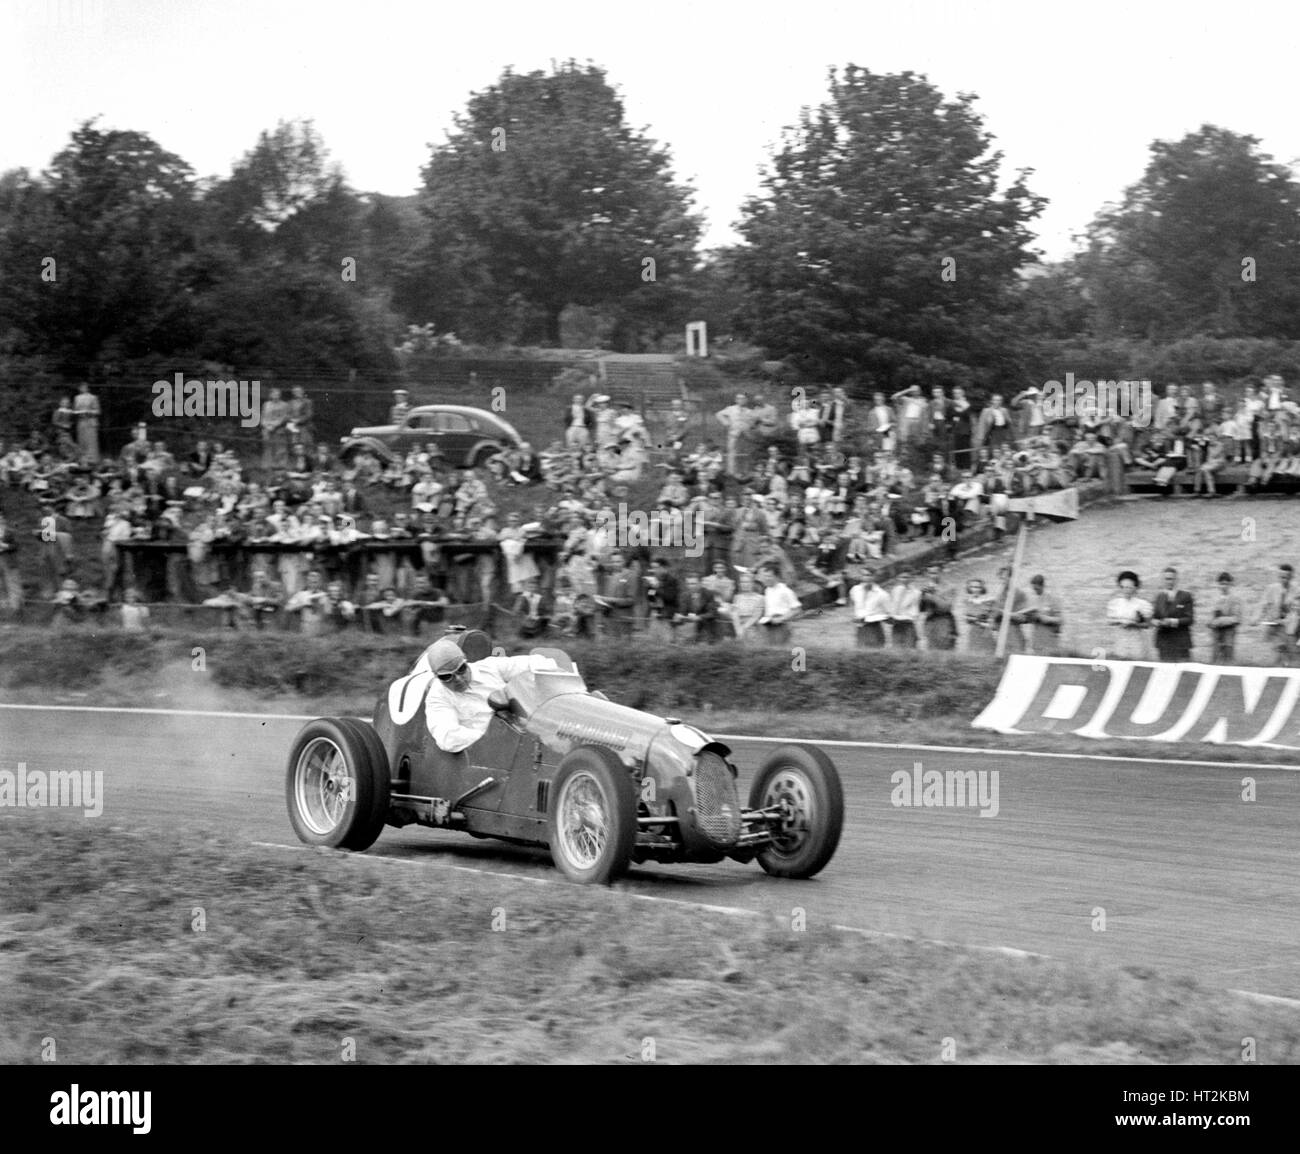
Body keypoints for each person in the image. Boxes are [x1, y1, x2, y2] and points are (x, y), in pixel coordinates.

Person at [411, 638, 559, 753]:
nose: (459, 679)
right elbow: (448, 737)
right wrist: (491, 739)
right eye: (446, 677)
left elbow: (539, 663)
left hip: (528, 732)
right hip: (491, 754)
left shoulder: (490, 667)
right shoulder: (437, 697)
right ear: (437, 676)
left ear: (466, 660)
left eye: (461, 669)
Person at [1106, 570, 1155, 661]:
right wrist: (1117, 622)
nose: (1126, 590)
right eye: (1123, 587)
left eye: (1129, 587)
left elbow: (1148, 624)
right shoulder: (1115, 603)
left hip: (1136, 641)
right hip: (1120, 640)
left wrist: (1135, 624)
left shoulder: (1143, 604)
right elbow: (1110, 621)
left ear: (1135, 587)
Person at [1257, 562, 1298, 667]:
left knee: (1290, 652)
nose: (1283, 580)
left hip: (1289, 627)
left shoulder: (1297, 591)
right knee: (1278, 649)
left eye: (1286, 577)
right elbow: (1263, 604)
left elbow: (1296, 609)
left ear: (1291, 576)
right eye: (1281, 577)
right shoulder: (1272, 588)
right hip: (1274, 626)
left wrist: (1287, 619)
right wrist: (1256, 618)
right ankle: (1277, 668)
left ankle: (1288, 667)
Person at [1152, 566, 1195, 663]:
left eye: (1171, 579)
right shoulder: (1160, 597)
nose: (1169, 582)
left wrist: (1172, 621)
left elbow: (1190, 619)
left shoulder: (1185, 596)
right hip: (1164, 642)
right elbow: (1155, 616)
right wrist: (1156, 622)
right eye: (1166, 579)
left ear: (1176, 580)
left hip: (1180, 642)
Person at [1017, 574, 1064, 655]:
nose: (1035, 591)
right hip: (1037, 640)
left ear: (1042, 586)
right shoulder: (1032, 599)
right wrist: (1027, 617)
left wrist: (1045, 618)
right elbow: (1029, 619)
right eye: (1034, 589)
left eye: (1037, 589)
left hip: (1049, 639)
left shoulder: (1052, 599)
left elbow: (1060, 620)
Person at [756, 566, 801, 646]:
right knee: (769, 651)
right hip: (768, 626)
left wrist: (781, 618)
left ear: (776, 577)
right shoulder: (767, 590)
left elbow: (797, 609)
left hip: (782, 626)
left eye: (769, 576)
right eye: (765, 576)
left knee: (780, 650)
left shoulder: (785, 591)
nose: (766, 579)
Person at [1206, 572, 1242, 665]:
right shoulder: (1214, 599)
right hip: (1216, 634)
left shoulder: (1235, 599)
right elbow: (1210, 617)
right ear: (1218, 585)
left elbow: (1237, 618)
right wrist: (1211, 622)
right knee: (1215, 658)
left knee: (1228, 659)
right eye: (1221, 584)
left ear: (1230, 585)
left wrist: (1221, 621)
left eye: (1226, 584)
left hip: (1228, 633)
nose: (1223, 587)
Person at [675, 572, 720, 643]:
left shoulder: (708, 594)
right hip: (689, 630)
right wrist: (679, 616)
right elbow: (682, 611)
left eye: (693, 583)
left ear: (700, 583)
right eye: (688, 584)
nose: (690, 586)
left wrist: (699, 617)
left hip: (706, 629)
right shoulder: (684, 596)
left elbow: (712, 613)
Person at [850, 569, 890, 648]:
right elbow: (856, 606)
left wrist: (868, 618)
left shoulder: (882, 594)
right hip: (860, 629)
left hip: (874, 629)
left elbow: (889, 615)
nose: (866, 578)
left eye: (869, 575)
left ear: (874, 577)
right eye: (864, 575)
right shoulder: (855, 590)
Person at [73, 383, 101, 463]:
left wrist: (89, 411)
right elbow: (75, 410)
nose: (82, 388)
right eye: (81, 387)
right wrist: (78, 412)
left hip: (90, 421)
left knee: (91, 442)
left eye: (84, 387)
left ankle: (93, 460)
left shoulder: (93, 397)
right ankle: (83, 460)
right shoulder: (77, 398)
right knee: (82, 441)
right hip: (81, 421)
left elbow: (97, 411)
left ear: (88, 388)